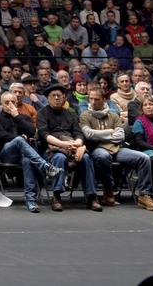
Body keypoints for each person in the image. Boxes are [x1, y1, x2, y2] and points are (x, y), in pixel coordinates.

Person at [80, 80, 153, 211]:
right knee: (103, 156)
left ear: (103, 100)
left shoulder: (113, 115)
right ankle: (109, 189)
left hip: (117, 149)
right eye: (91, 99)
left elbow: (120, 135)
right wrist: (110, 132)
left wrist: (101, 134)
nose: (93, 102)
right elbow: (89, 134)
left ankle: (145, 195)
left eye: (96, 99)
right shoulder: (85, 115)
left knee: (143, 158)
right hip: (97, 149)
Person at [38, 82, 98, 212]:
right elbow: (44, 135)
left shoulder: (71, 113)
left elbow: (78, 132)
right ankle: (57, 196)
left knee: (86, 158)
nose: (56, 98)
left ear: (65, 98)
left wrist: (77, 144)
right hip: (52, 149)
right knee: (59, 157)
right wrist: (66, 145)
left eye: (59, 95)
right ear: (48, 98)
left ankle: (91, 196)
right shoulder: (42, 113)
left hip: (72, 146)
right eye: (53, 96)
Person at [0, 89, 53, 213]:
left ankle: (31, 201)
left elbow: (32, 132)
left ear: (17, 103)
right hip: (6, 154)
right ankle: (44, 166)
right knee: (19, 139)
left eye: (13, 102)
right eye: (7, 102)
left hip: (24, 154)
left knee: (27, 161)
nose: (10, 104)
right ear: (1, 104)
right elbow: (1, 135)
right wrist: (18, 138)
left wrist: (17, 116)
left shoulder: (23, 117)